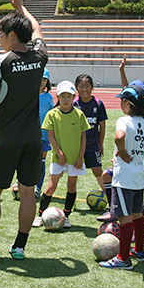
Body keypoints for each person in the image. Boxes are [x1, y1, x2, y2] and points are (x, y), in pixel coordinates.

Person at [0, 0, 48, 261]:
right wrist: (21, 9)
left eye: (1, 35)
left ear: (12, 35)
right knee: (28, 192)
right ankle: (19, 247)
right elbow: (37, 28)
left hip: (5, 139)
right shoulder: (39, 57)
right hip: (32, 138)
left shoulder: (0, 62)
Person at [99, 83, 144, 269]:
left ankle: (123, 258)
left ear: (128, 104)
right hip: (139, 175)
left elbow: (119, 137)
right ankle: (140, 251)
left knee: (124, 217)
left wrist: (121, 150)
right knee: (138, 215)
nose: (120, 104)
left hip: (124, 176)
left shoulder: (123, 120)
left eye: (122, 101)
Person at [98, 56, 144, 223]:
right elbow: (127, 92)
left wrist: (121, 153)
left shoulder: (141, 117)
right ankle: (118, 211)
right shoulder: (141, 111)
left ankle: (118, 213)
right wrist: (121, 71)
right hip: (136, 157)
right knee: (108, 178)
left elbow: (124, 137)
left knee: (126, 192)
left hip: (136, 158)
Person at [33, 80, 90, 229]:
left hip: (75, 157)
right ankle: (40, 214)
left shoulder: (79, 114)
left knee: (72, 186)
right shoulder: (52, 114)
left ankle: (66, 216)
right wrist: (60, 154)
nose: (66, 99)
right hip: (58, 159)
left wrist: (80, 156)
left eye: (69, 96)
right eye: (63, 96)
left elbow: (84, 137)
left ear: (73, 97)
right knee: (51, 186)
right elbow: (51, 136)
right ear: (58, 97)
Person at [12, 68, 54, 200]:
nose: (41, 82)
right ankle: (23, 185)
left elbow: (52, 115)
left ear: (47, 82)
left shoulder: (48, 97)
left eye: (44, 79)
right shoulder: (28, 94)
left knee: (40, 162)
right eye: (39, 78)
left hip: (44, 136)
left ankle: (38, 187)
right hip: (28, 134)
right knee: (25, 161)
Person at [74, 74, 107, 196]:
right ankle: (71, 199)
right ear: (76, 88)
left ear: (92, 87)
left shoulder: (98, 104)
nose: (84, 89)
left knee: (97, 170)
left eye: (87, 86)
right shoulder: (74, 104)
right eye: (81, 86)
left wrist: (101, 143)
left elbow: (102, 125)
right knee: (73, 173)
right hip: (76, 145)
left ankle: (109, 196)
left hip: (92, 144)